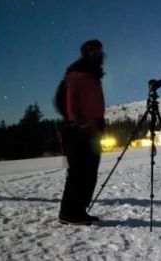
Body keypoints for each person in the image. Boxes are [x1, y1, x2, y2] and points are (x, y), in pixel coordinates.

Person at [59, 39, 106, 225]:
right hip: (81, 130)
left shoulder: (93, 74)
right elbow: (70, 101)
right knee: (79, 172)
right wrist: (78, 122)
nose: (101, 54)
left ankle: (79, 210)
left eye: (100, 50)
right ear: (87, 52)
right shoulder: (78, 72)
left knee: (90, 171)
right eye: (96, 50)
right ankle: (69, 213)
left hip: (93, 130)